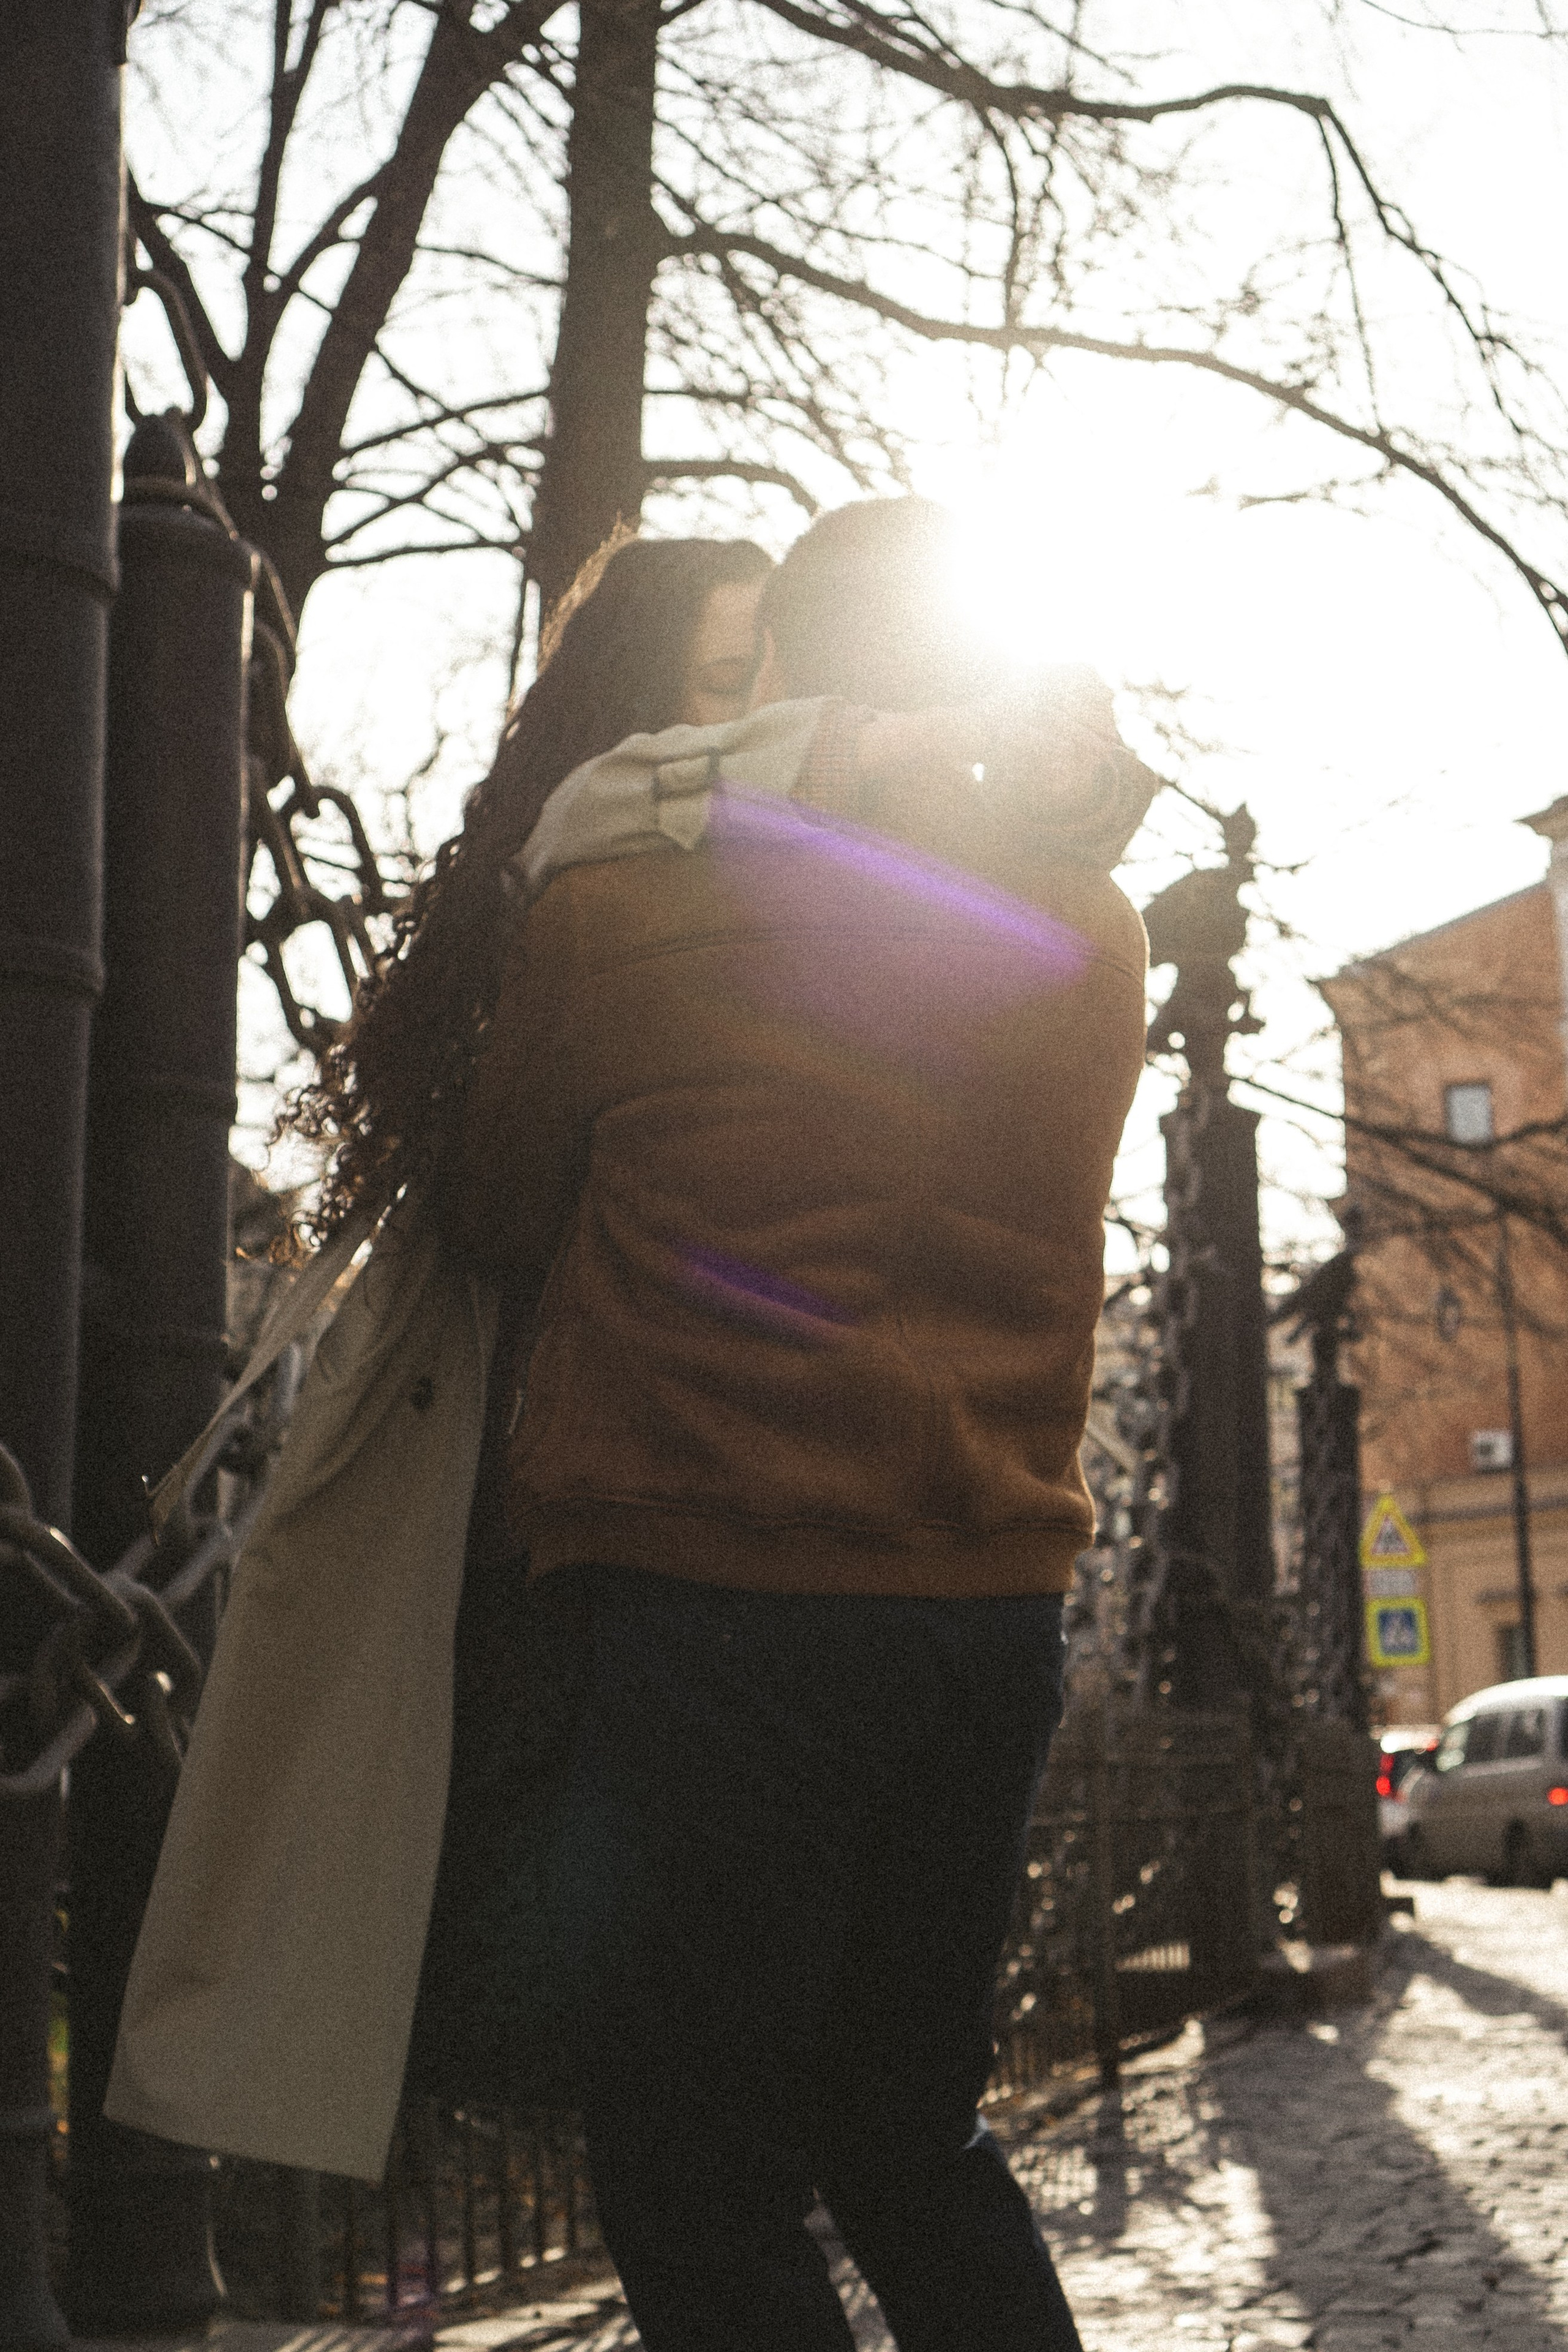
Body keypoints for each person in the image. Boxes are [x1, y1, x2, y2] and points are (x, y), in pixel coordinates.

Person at [443, 497, 1154, 2350]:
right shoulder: (1091, 928)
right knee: (912, 2138)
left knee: (697, 2169)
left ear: (791, 680)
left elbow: (495, 1202)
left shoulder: (626, 892)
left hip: (708, 1589)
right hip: (985, 1605)